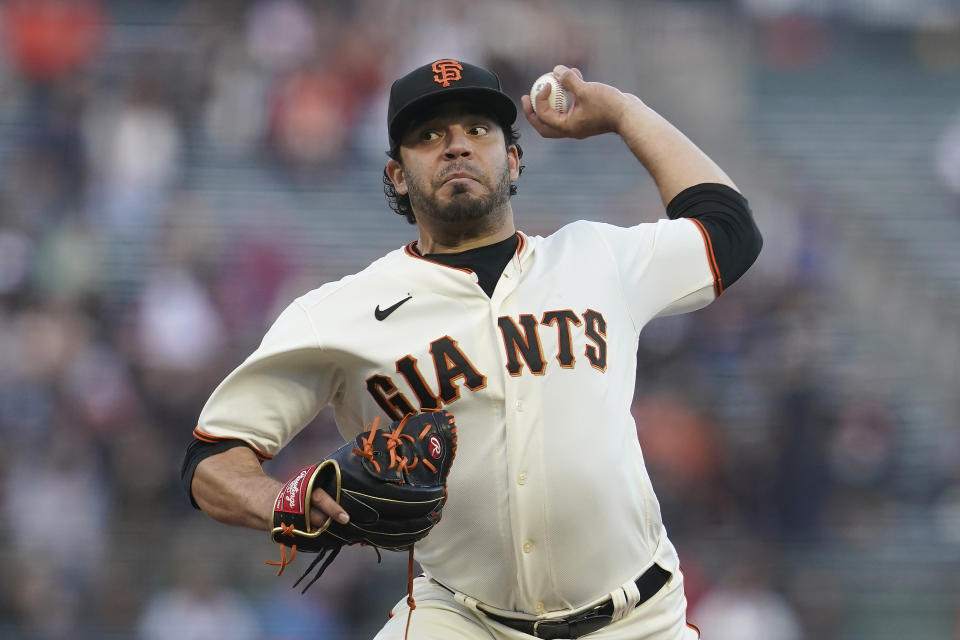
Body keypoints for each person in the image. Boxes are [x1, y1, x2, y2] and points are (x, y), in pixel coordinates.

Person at [181, 58, 762, 640]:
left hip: (637, 620)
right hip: (461, 620)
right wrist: (287, 502)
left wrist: (622, 112)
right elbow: (212, 462)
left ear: (511, 161)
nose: (456, 146)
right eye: (429, 135)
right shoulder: (341, 311)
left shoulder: (597, 258)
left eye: (478, 130)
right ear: (398, 175)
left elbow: (730, 231)